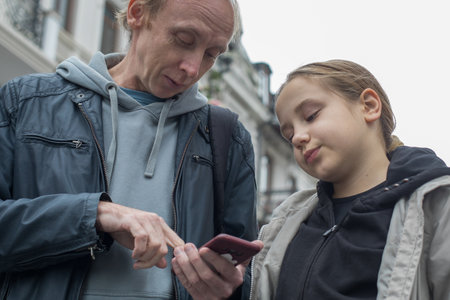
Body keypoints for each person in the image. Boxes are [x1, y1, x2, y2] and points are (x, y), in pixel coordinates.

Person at [0, 0, 259, 299]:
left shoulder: (228, 137)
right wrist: (95, 215)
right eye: (184, 40)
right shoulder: (26, 101)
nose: (192, 68)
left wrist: (229, 287)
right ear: (138, 13)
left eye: (211, 54)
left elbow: (243, 275)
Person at [247, 59, 450, 300]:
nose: (298, 137)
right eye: (289, 135)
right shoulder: (284, 224)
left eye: (311, 116)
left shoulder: (437, 206)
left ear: (369, 106)